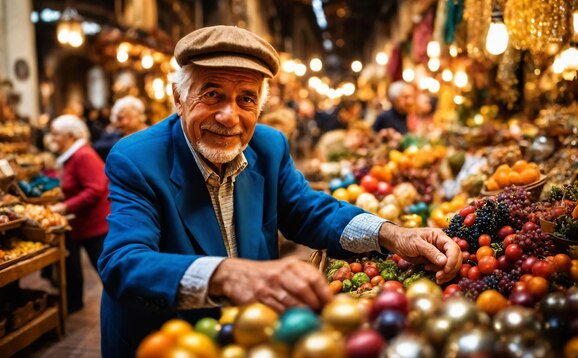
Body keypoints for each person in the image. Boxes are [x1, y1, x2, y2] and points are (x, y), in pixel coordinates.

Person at [98, 25, 461, 357]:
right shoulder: (137, 159)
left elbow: (309, 211)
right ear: (179, 97)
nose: (230, 116)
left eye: (246, 99)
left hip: (250, 337)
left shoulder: (268, 146)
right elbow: (123, 262)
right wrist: (230, 274)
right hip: (167, 342)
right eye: (212, 94)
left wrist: (392, 234)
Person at [48, 115, 111, 313]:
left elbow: (96, 189)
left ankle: (128, 310)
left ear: (70, 136)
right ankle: (74, 304)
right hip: (81, 225)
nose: (52, 138)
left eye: (56, 134)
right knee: (73, 268)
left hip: (95, 225)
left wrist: (65, 207)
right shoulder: (72, 155)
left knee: (108, 272)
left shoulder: (83, 155)